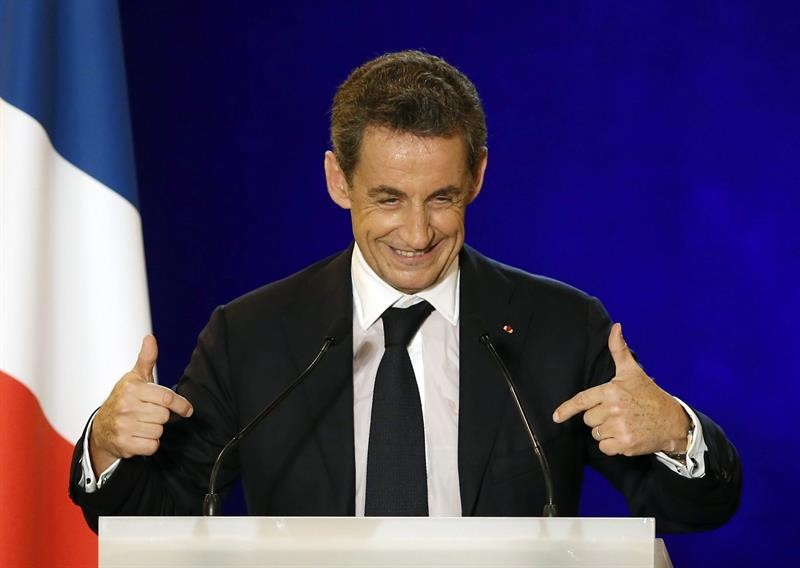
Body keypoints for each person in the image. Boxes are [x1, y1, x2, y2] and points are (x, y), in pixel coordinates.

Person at [69, 50, 740, 532]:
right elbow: (155, 518)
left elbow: (697, 509)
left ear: (477, 177)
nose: (417, 233)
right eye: (388, 198)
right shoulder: (252, 334)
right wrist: (107, 445)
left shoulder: (561, 325)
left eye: (441, 197)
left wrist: (676, 433)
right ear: (339, 181)